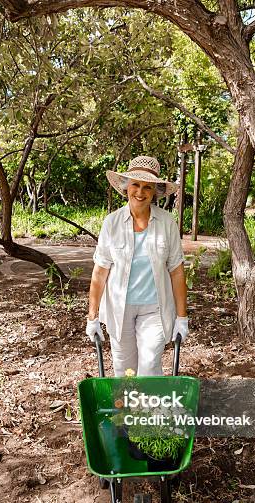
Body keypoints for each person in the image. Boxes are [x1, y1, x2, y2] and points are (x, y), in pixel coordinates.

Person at [85, 155, 189, 376]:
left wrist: (182, 317)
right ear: (126, 187)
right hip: (119, 309)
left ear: (154, 192)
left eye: (147, 187)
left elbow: (177, 273)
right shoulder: (111, 223)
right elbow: (100, 273)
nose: (140, 192)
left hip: (155, 308)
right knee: (125, 369)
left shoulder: (167, 223)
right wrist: (92, 317)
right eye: (136, 185)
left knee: (150, 366)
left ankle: (149, 410)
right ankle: (128, 410)